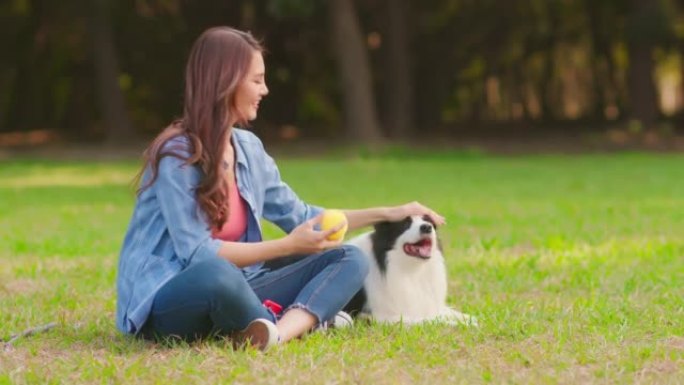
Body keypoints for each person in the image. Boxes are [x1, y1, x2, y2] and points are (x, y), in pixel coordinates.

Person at [115, 26, 445, 350]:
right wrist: (287, 246)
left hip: (241, 288)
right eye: (257, 80)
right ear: (225, 82)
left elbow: (302, 216)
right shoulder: (177, 154)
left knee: (349, 257)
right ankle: (301, 321)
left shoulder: (248, 149)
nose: (265, 90)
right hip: (175, 300)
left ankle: (276, 334)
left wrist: (390, 213)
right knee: (217, 273)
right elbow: (197, 254)